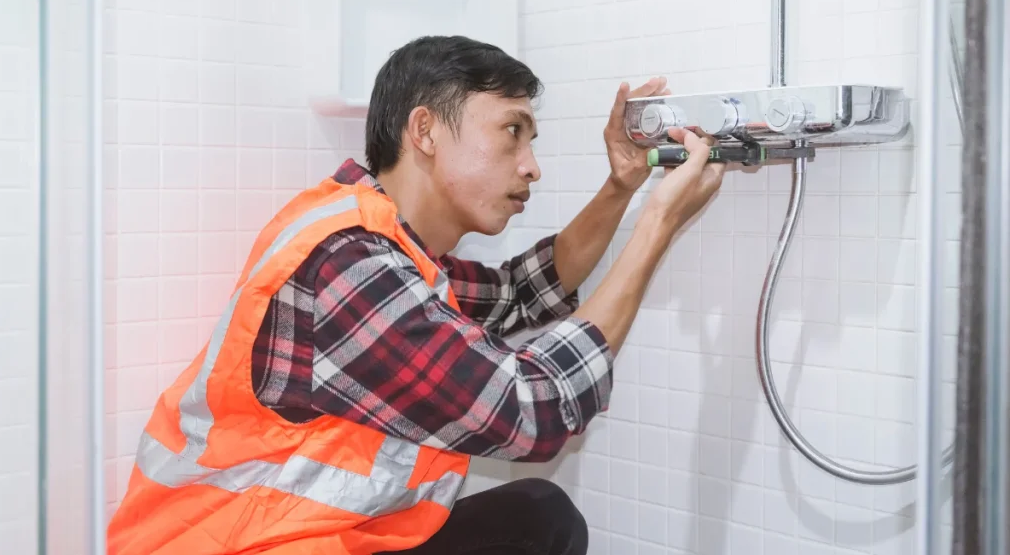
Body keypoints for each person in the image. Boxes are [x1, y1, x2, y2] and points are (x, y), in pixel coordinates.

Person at [106, 36, 724, 555]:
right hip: (236, 546)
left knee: (538, 517)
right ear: (425, 130)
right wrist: (656, 227)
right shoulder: (349, 266)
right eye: (513, 132)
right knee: (540, 512)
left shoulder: (383, 242)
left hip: (321, 540)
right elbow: (533, 415)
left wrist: (622, 187)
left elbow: (518, 293)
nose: (532, 165)